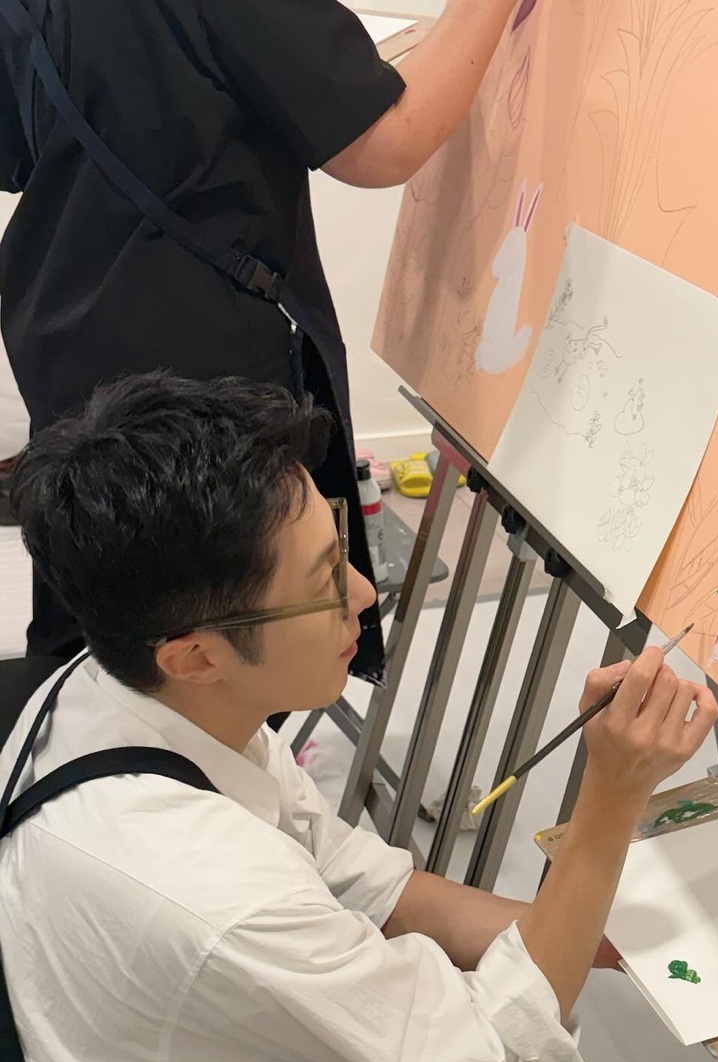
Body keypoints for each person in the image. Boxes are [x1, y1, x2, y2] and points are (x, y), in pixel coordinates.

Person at [0, 374, 718, 1062]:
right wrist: (609, 802)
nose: (365, 593)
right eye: (322, 581)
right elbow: (485, 1060)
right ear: (194, 652)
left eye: (342, 546)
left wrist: (592, 932)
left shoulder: (126, 689)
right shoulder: (198, 884)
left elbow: (362, 880)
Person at [0, 0, 522, 683]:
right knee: (215, 636)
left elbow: (19, 152)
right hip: (193, 360)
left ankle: (85, 746)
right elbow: (390, 139)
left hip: (69, 324)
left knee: (103, 618)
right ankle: (197, 752)